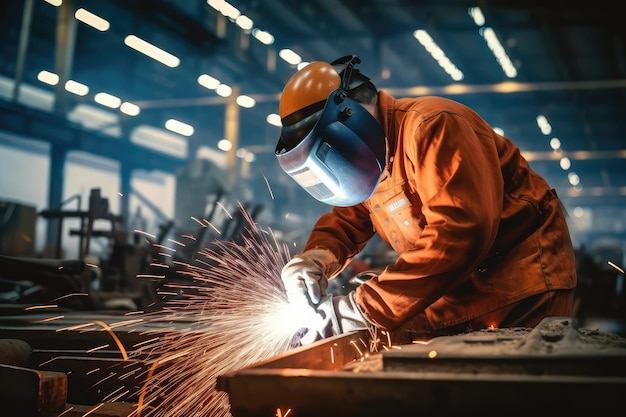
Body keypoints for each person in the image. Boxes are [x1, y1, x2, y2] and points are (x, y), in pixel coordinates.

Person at [275, 55, 577, 345]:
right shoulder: (374, 155)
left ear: (350, 115)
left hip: (519, 289)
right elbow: (349, 218)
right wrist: (314, 258)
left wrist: (362, 308)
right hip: (457, 290)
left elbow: (459, 233)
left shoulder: (434, 125)